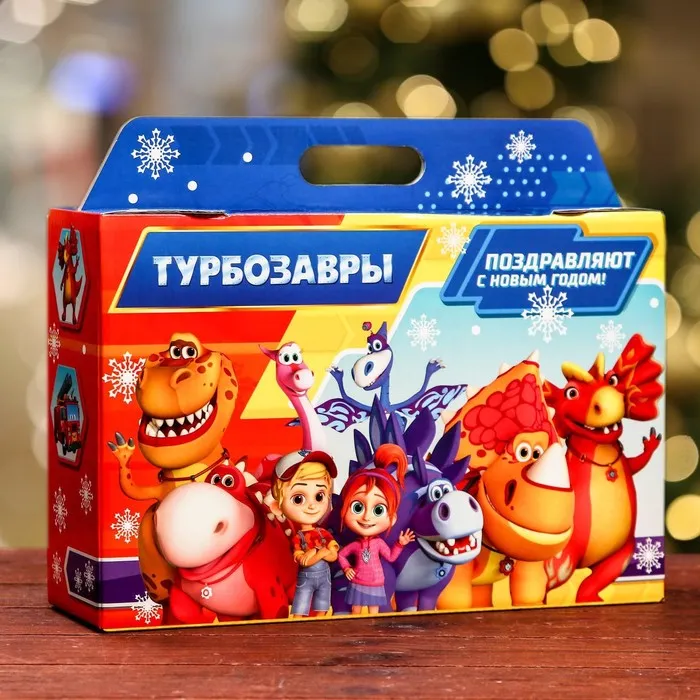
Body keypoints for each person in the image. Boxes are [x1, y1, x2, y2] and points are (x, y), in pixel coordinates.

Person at [338, 445, 415, 615]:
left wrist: (400, 544)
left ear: (392, 518)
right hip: (357, 581)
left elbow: (391, 557)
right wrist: (347, 568)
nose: (366, 517)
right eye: (357, 507)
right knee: (355, 612)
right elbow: (341, 555)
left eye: (378, 510)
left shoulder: (379, 544)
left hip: (376, 582)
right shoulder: (355, 545)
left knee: (374, 612)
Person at [270, 450, 339, 618]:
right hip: (306, 578)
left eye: (319, 496)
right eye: (298, 498)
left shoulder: (323, 533)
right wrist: (320, 552)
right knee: (300, 607)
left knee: (322, 607)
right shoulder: (298, 538)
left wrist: (317, 553)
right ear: (277, 507)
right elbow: (303, 560)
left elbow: (333, 555)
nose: (312, 506)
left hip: (324, 578)